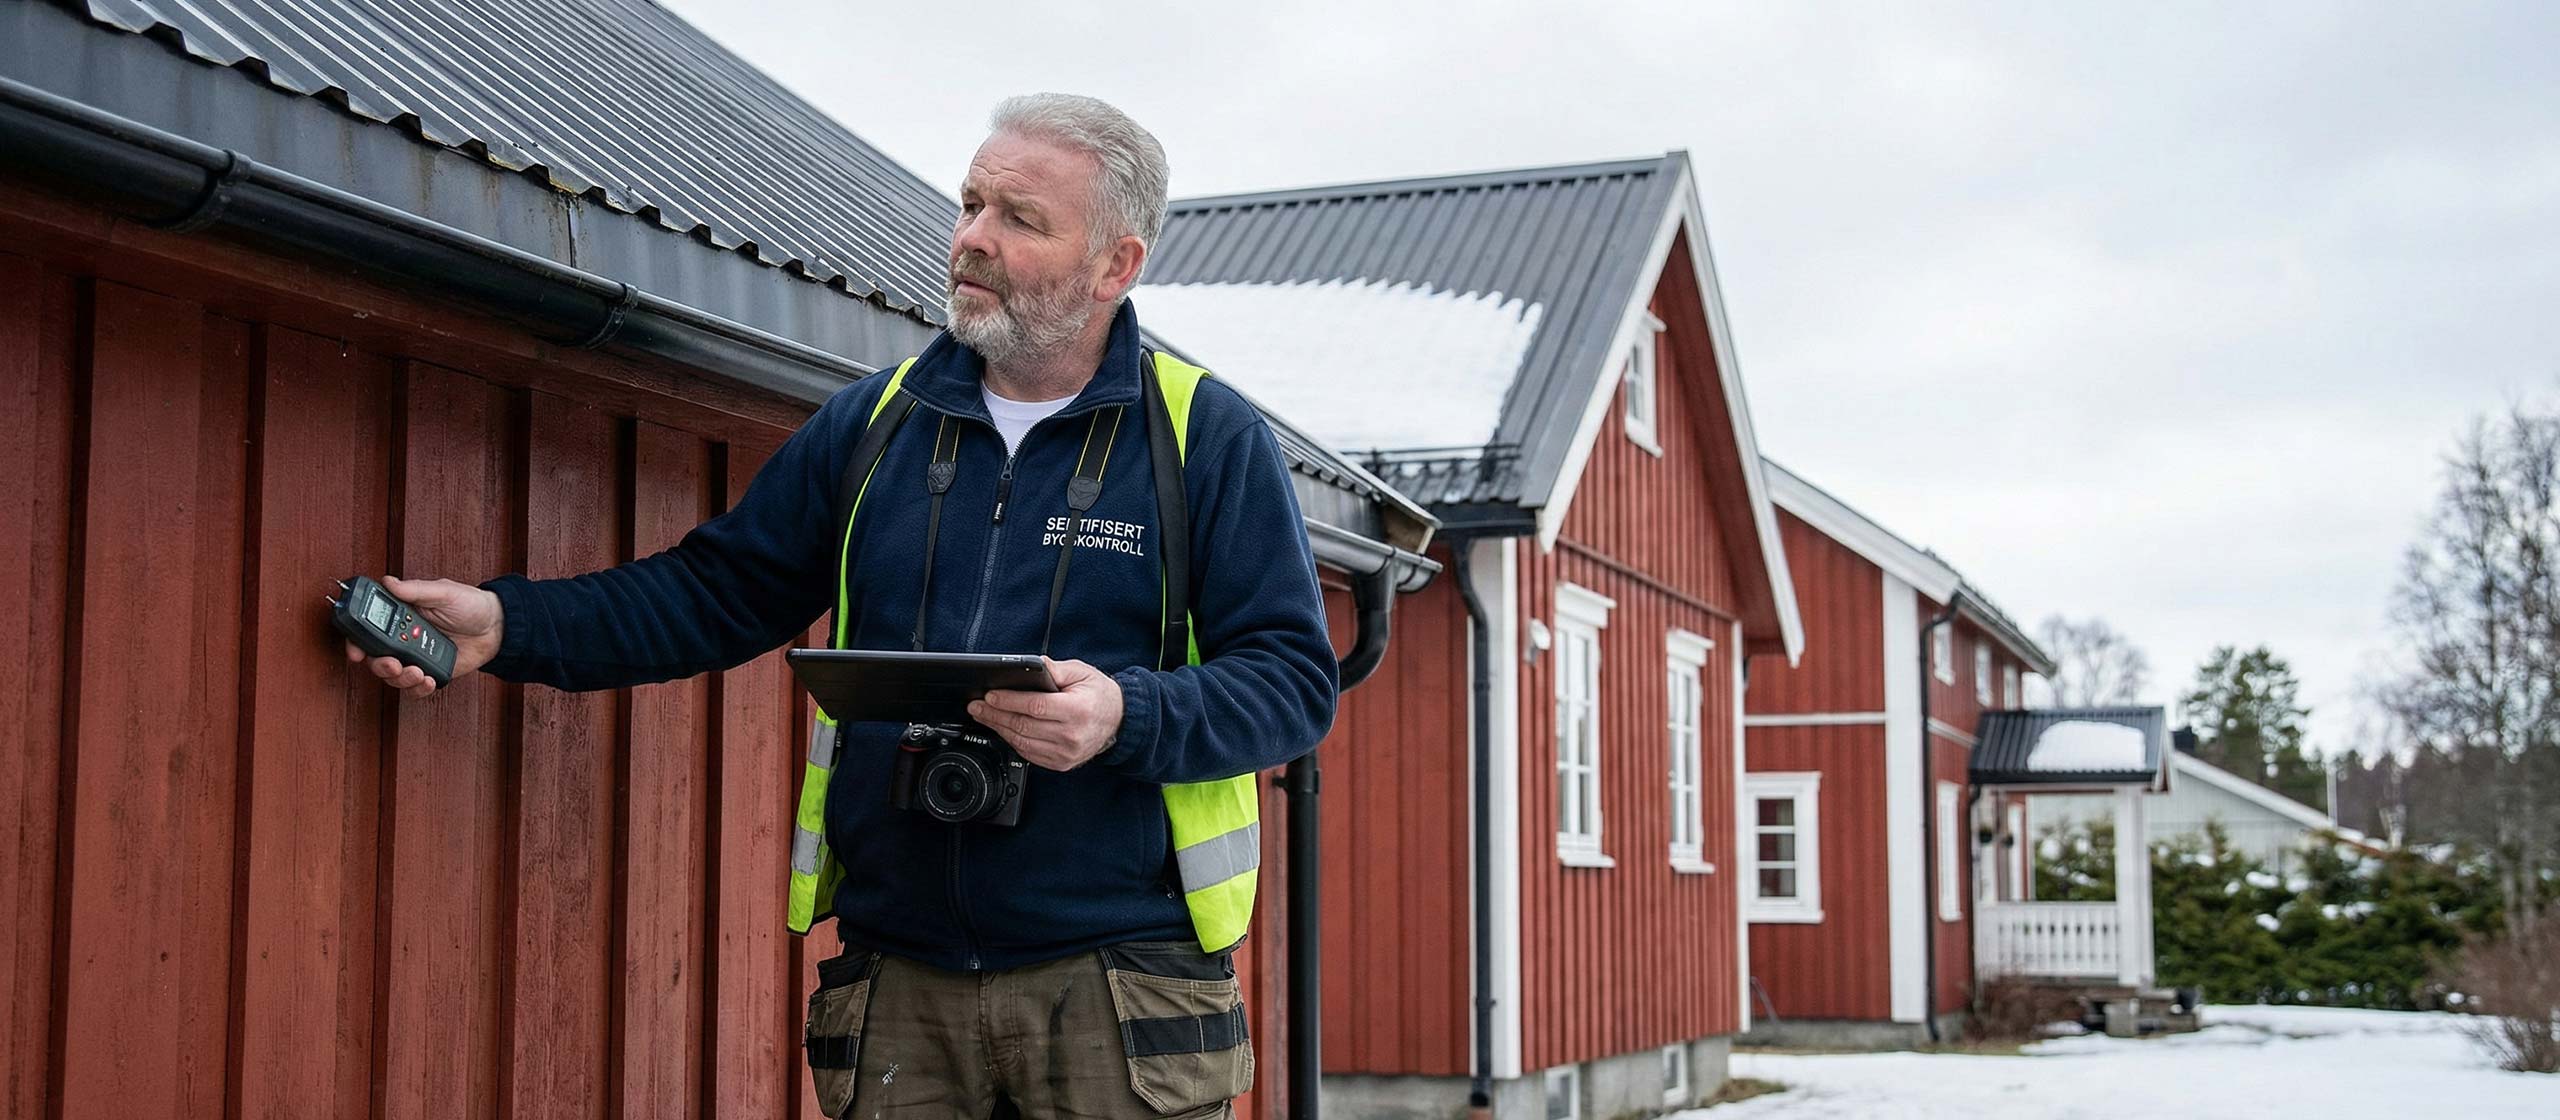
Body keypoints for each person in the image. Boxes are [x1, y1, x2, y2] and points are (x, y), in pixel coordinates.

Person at [346, 93, 1336, 1119]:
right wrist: (504, 627)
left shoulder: (1203, 439)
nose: (973, 240)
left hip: (1120, 992)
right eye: (970, 205)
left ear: (1115, 266)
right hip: (899, 984)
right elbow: (712, 593)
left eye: (1019, 219)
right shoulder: (873, 425)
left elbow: (1294, 684)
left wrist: (1124, 716)